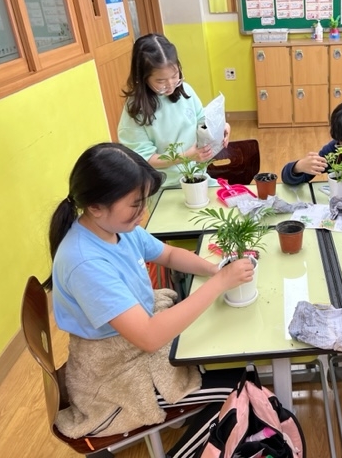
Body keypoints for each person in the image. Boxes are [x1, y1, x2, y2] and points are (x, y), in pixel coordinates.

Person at [44, 143, 253, 454]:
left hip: (132, 343)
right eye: (135, 204)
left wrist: (213, 269)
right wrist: (220, 283)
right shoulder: (85, 262)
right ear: (96, 206)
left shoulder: (115, 227)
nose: (143, 212)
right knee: (240, 383)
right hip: (114, 373)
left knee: (222, 351)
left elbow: (167, 254)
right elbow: (149, 336)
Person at [118, 33, 230, 187]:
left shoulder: (185, 91)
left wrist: (221, 127)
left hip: (198, 177)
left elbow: (202, 121)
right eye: (161, 81)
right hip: (163, 186)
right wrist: (186, 156)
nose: (170, 85)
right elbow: (143, 158)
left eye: (175, 75)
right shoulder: (136, 109)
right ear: (143, 78)